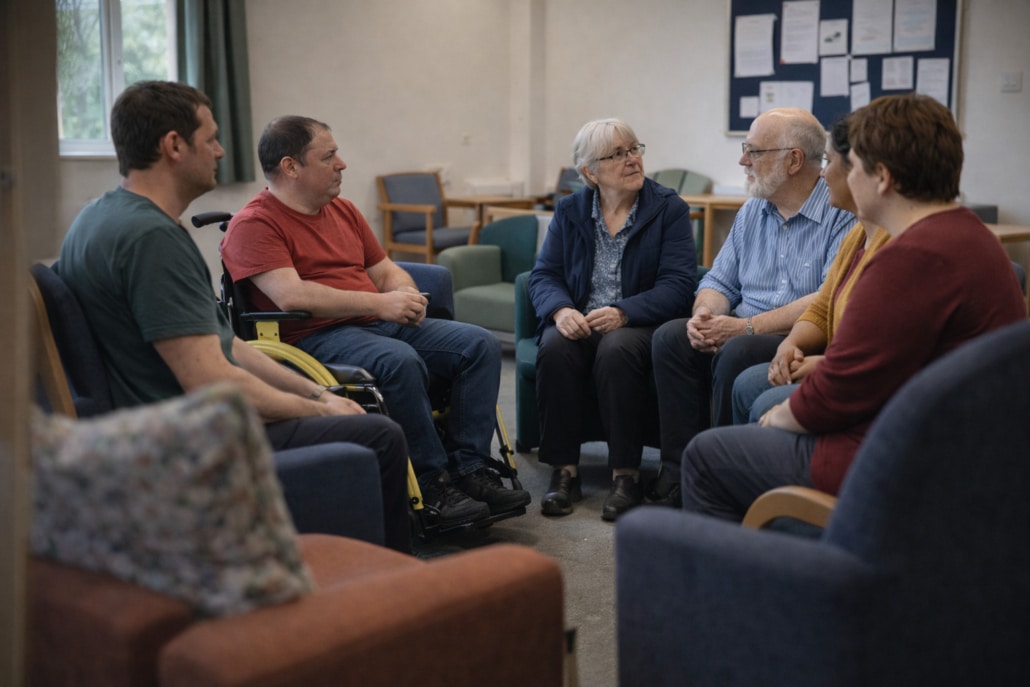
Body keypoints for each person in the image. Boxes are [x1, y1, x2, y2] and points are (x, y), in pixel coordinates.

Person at [57, 81, 412, 554]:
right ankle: (388, 593)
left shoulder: (98, 216)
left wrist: (315, 390)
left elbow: (226, 343)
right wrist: (317, 409)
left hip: (151, 422)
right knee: (380, 436)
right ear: (174, 146)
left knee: (355, 415)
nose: (221, 151)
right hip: (184, 442)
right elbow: (212, 382)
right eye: (211, 139)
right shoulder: (151, 239)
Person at [681, 93, 1027, 521]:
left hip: (900, 454)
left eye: (847, 164)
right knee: (750, 405)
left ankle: (776, 573)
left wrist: (776, 421)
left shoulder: (907, 259)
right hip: (945, 437)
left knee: (707, 455)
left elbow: (836, 395)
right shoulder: (965, 233)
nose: (828, 174)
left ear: (881, 176)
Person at [220, 115, 531, 530]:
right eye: (329, 156)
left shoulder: (344, 211)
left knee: (478, 344)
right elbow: (292, 296)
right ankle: (431, 483)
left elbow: (385, 270)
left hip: (373, 323)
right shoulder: (254, 224)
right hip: (313, 337)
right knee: (398, 360)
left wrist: (404, 294)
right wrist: (380, 304)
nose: (342, 164)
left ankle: (470, 469)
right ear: (291, 166)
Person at [648, 107, 855, 508]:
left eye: (754, 151)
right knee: (672, 337)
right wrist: (705, 316)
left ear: (793, 160)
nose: (743, 160)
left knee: (739, 349)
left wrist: (745, 328)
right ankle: (677, 474)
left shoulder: (840, 213)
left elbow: (827, 298)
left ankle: (726, 480)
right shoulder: (751, 212)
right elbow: (717, 281)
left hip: (794, 337)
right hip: (741, 327)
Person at [527, 118, 697, 521]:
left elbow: (678, 284)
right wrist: (561, 310)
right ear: (590, 172)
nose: (632, 159)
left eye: (634, 148)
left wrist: (625, 311)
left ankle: (626, 475)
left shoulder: (668, 208)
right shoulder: (570, 210)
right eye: (617, 154)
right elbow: (544, 274)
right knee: (553, 345)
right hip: (583, 319)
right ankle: (564, 471)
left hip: (639, 323)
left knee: (617, 349)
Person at [730, 114, 891, 424]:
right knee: (746, 383)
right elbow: (822, 306)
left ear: (878, 176)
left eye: (829, 162)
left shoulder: (895, 246)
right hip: (830, 360)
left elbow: (882, 357)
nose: (823, 174)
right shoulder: (859, 235)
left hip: (862, 385)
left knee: (753, 389)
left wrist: (820, 365)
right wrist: (791, 345)